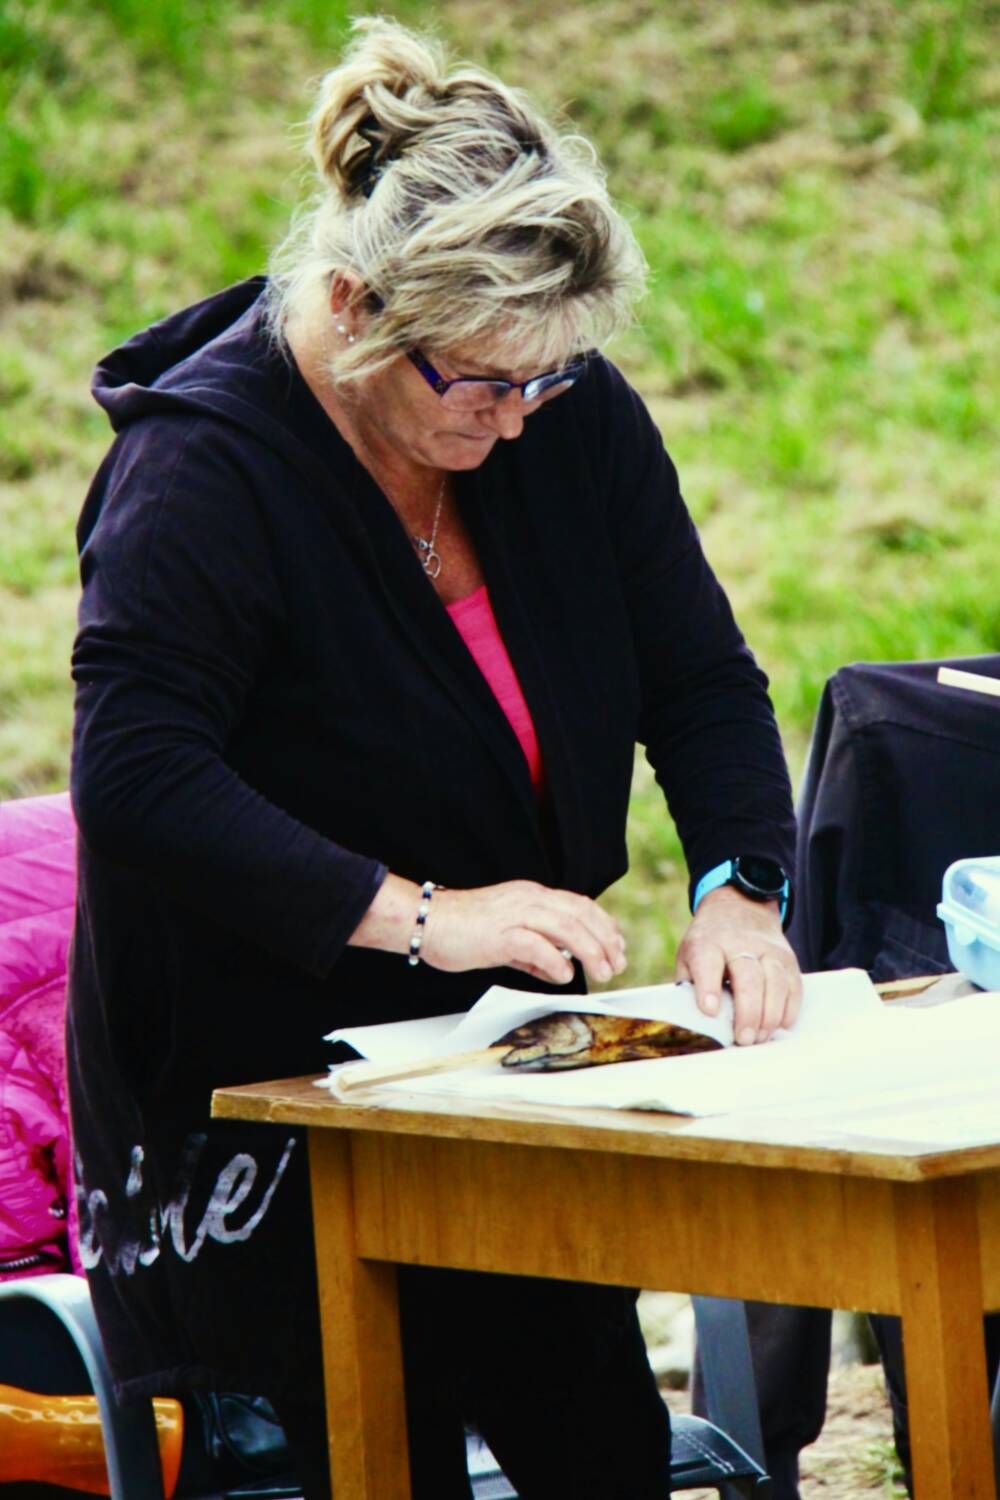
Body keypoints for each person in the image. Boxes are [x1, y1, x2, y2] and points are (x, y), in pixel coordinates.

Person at [67, 18, 802, 1499]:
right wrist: (425, 916)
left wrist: (740, 887)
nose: (518, 421)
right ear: (353, 310)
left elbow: (700, 677)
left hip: (499, 1062)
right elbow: (136, 775)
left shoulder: (556, 413)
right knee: (370, 1460)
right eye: (480, 383)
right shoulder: (203, 470)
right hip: (263, 1088)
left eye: (549, 379)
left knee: (599, 1451)